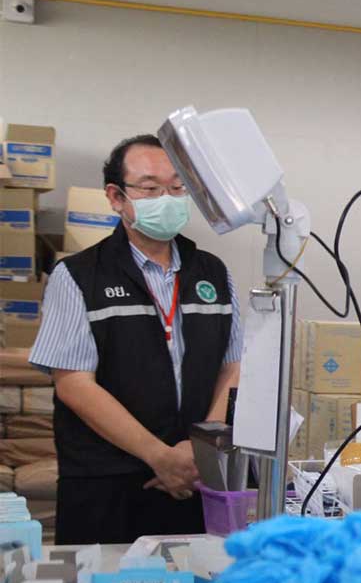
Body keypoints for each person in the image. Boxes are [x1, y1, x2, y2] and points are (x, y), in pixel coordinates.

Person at [30, 134, 242, 544]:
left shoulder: (213, 274)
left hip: (196, 481)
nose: (167, 197)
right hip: (108, 484)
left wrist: (200, 452)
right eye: (149, 188)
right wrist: (159, 456)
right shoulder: (79, 276)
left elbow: (234, 367)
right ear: (116, 197)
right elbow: (74, 384)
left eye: (177, 188)